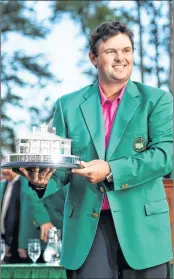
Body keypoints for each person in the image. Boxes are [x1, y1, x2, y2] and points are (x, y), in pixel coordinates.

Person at [18, 20, 173, 278]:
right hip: (87, 233)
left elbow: (165, 157)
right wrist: (41, 181)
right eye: (111, 51)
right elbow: (61, 168)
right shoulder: (67, 105)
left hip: (144, 230)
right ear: (93, 58)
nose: (121, 58)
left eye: (126, 50)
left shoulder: (157, 100)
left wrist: (111, 169)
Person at [0, 169, 27, 263]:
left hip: (17, 241)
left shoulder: (23, 184)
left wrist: (10, 242)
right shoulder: (4, 184)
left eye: (8, 168)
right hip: (4, 239)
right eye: (3, 167)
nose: (4, 171)